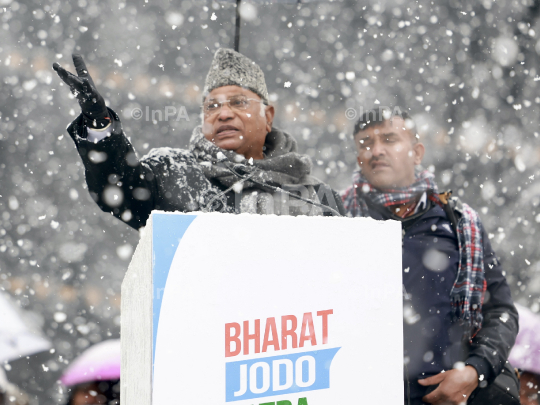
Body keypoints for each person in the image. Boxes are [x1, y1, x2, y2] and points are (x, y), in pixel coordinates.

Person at [341, 108, 519, 405]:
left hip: (451, 395)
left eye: (389, 139)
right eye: (365, 143)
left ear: (417, 152)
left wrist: (475, 371)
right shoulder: (335, 219)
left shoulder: (460, 223)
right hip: (364, 391)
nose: (376, 150)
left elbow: (501, 311)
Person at [52, 49, 344, 229]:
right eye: (211, 106)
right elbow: (117, 187)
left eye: (238, 102)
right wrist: (99, 122)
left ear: (268, 116)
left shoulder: (320, 200)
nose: (223, 114)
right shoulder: (172, 171)